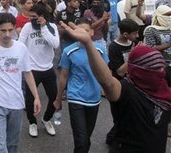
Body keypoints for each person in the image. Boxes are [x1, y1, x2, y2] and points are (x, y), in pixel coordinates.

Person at [60, 21, 171, 153]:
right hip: (78, 99)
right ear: (138, 70)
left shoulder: (163, 87)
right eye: (153, 68)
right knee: (82, 141)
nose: (160, 72)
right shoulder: (127, 90)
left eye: (160, 67)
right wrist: (88, 44)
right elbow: (107, 80)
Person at [0, 13, 42, 153]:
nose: (7, 34)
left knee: (12, 145)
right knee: (0, 147)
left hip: (17, 103)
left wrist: (36, 97)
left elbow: (27, 73)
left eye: (10, 30)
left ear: (15, 28)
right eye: (3, 30)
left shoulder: (21, 48)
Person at [54, 17, 109, 153]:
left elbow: (107, 73)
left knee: (86, 138)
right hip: (75, 97)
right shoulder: (68, 51)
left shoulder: (100, 50)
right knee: (81, 140)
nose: (83, 33)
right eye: (79, 31)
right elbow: (63, 77)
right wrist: (58, 99)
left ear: (92, 32)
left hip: (94, 99)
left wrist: (108, 92)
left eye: (86, 30)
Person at [19, 4, 59, 137]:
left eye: (34, 17)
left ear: (42, 17)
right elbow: (20, 44)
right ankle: (32, 123)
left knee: (54, 97)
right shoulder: (27, 27)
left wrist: (44, 27)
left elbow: (55, 44)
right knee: (30, 100)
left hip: (48, 68)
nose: (31, 19)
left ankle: (46, 119)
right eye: (29, 17)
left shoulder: (52, 27)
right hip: (32, 70)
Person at [106, 18, 140, 146]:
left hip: (133, 85)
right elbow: (119, 72)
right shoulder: (114, 47)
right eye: (135, 33)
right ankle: (113, 140)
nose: (137, 36)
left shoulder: (133, 43)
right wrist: (133, 54)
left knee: (129, 116)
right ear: (125, 34)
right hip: (120, 87)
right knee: (119, 117)